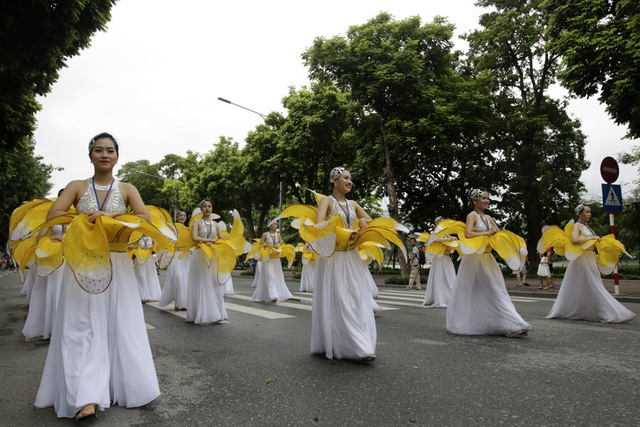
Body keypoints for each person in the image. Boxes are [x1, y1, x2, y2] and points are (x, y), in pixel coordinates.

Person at [34, 132, 162, 420]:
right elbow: (54, 212)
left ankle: (121, 385)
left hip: (118, 262)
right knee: (80, 327)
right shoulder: (77, 186)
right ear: (90, 154)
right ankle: (86, 396)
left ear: (117, 156)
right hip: (84, 263)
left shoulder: (127, 188)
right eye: (99, 150)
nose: (105, 155)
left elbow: (145, 219)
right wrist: (82, 218)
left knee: (120, 324)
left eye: (110, 151)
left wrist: (112, 218)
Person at [445, 188, 532, 337]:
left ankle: (513, 323)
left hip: (487, 258)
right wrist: (487, 233)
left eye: (488, 199)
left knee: (496, 289)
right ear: (475, 200)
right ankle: (462, 321)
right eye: (484, 198)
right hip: (473, 259)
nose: (487, 201)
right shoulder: (471, 215)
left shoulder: (489, 217)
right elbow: (468, 234)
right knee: (468, 290)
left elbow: (497, 233)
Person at [544, 204, 636, 323]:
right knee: (594, 284)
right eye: (587, 212)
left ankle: (588, 310)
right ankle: (610, 312)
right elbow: (574, 239)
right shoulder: (577, 225)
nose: (589, 214)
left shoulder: (586, 227)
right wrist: (592, 239)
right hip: (582, 258)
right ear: (579, 213)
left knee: (585, 285)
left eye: (590, 212)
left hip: (589, 257)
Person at [186, 199, 228, 324]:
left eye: (209, 206)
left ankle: (216, 311)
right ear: (201, 209)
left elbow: (221, 239)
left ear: (212, 208)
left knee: (214, 283)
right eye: (205, 206)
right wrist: (208, 241)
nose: (207, 208)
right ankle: (205, 313)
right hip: (200, 255)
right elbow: (194, 238)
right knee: (203, 283)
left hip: (213, 255)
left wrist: (216, 242)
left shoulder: (216, 224)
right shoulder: (197, 222)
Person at [251, 220, 293, 303]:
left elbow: (282, 244)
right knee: (270, 276)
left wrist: (279, 245)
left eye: (276, 224)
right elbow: (260, 244)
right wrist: (268, 245)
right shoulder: (265, 234)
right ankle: (273, 295)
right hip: (268, 259)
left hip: (276, 259)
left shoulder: (278, 235)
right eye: (274, 224)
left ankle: (275, 293)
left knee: (277, 276)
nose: (276, 225)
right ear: (270, 226)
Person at [420, 219, 458, 307]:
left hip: (446, 258)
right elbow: (435, 240)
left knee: (450, 276)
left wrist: (452, 238)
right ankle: (441, 297)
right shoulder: (434, 233)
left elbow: (451, 241)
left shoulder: (446, 233)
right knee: (439, 277)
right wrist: (448, 239)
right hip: (439, 258)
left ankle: (452, 297)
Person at [160, 210, 191, 310]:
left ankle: (182, 303)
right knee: (177, 278)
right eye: (180, 215)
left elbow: (191, 242)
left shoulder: (188, 229)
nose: (182, 217)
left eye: (184, 215)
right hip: (175, 255)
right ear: (177, 217)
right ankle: (178, 301)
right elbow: (167, 240)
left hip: (185, 256)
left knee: (185, 279)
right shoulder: (172, 228)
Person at [133, 235, 162, 302]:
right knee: (141, 275)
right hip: (140, 258)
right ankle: (142, 295)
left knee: (150, 276)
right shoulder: (137, 237)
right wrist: (138, 247)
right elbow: (130, 246)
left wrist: (154, 245)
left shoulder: (152, 238)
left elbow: (158, 247)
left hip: (149, 259)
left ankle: (151, 293)